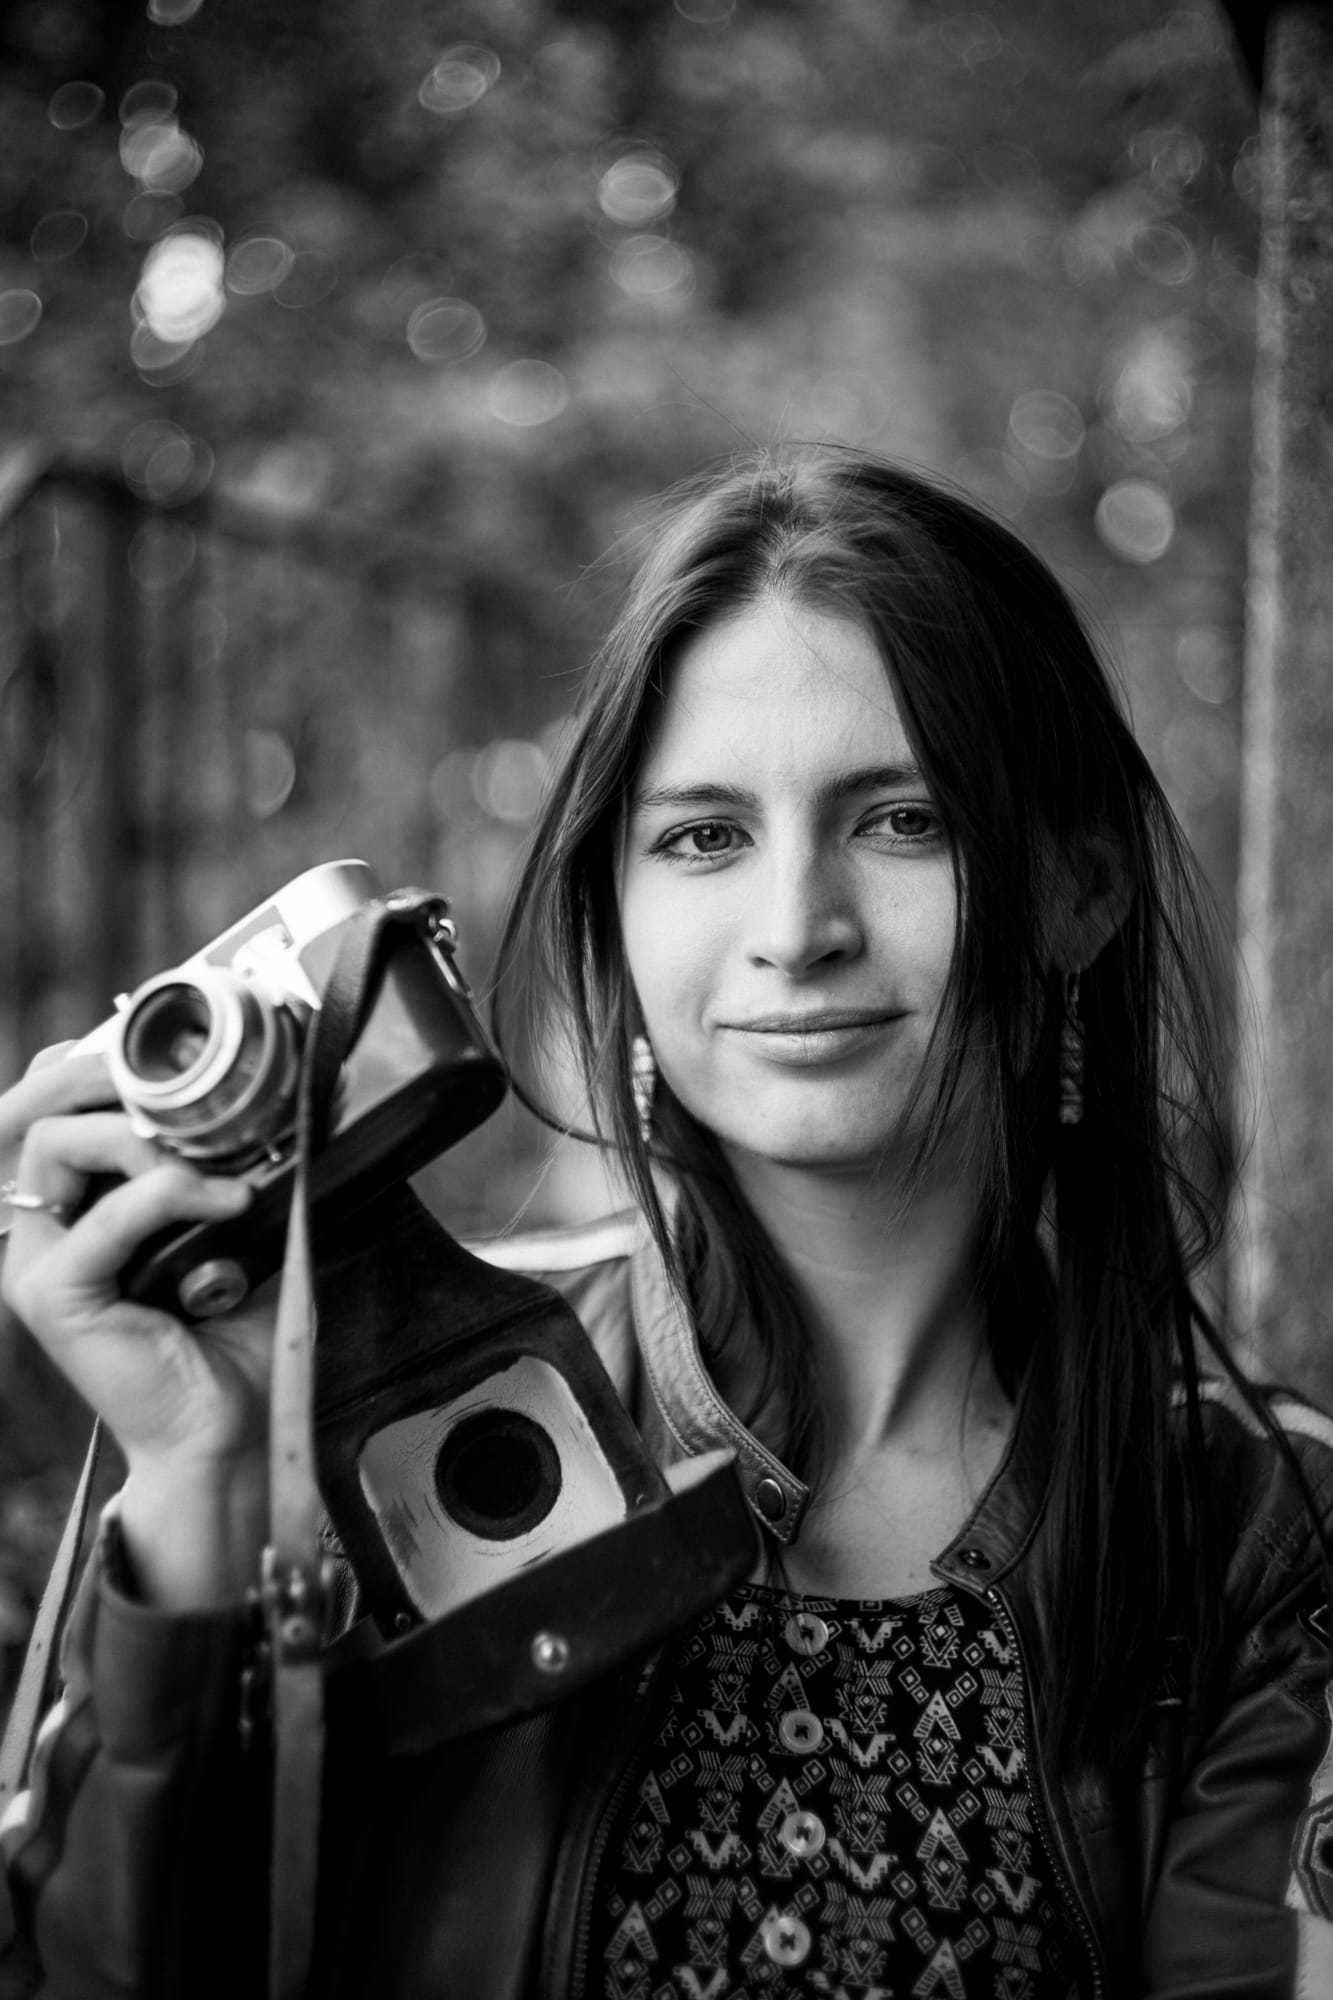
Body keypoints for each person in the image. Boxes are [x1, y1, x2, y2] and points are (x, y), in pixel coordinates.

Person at [0, 445, 1331, 1999]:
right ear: (616, 920)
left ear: (1077, 887)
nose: (796, 930)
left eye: (903, 820)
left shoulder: (1261, 1535)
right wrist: (201, 1481)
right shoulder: (364, 1420)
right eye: (703, 837)